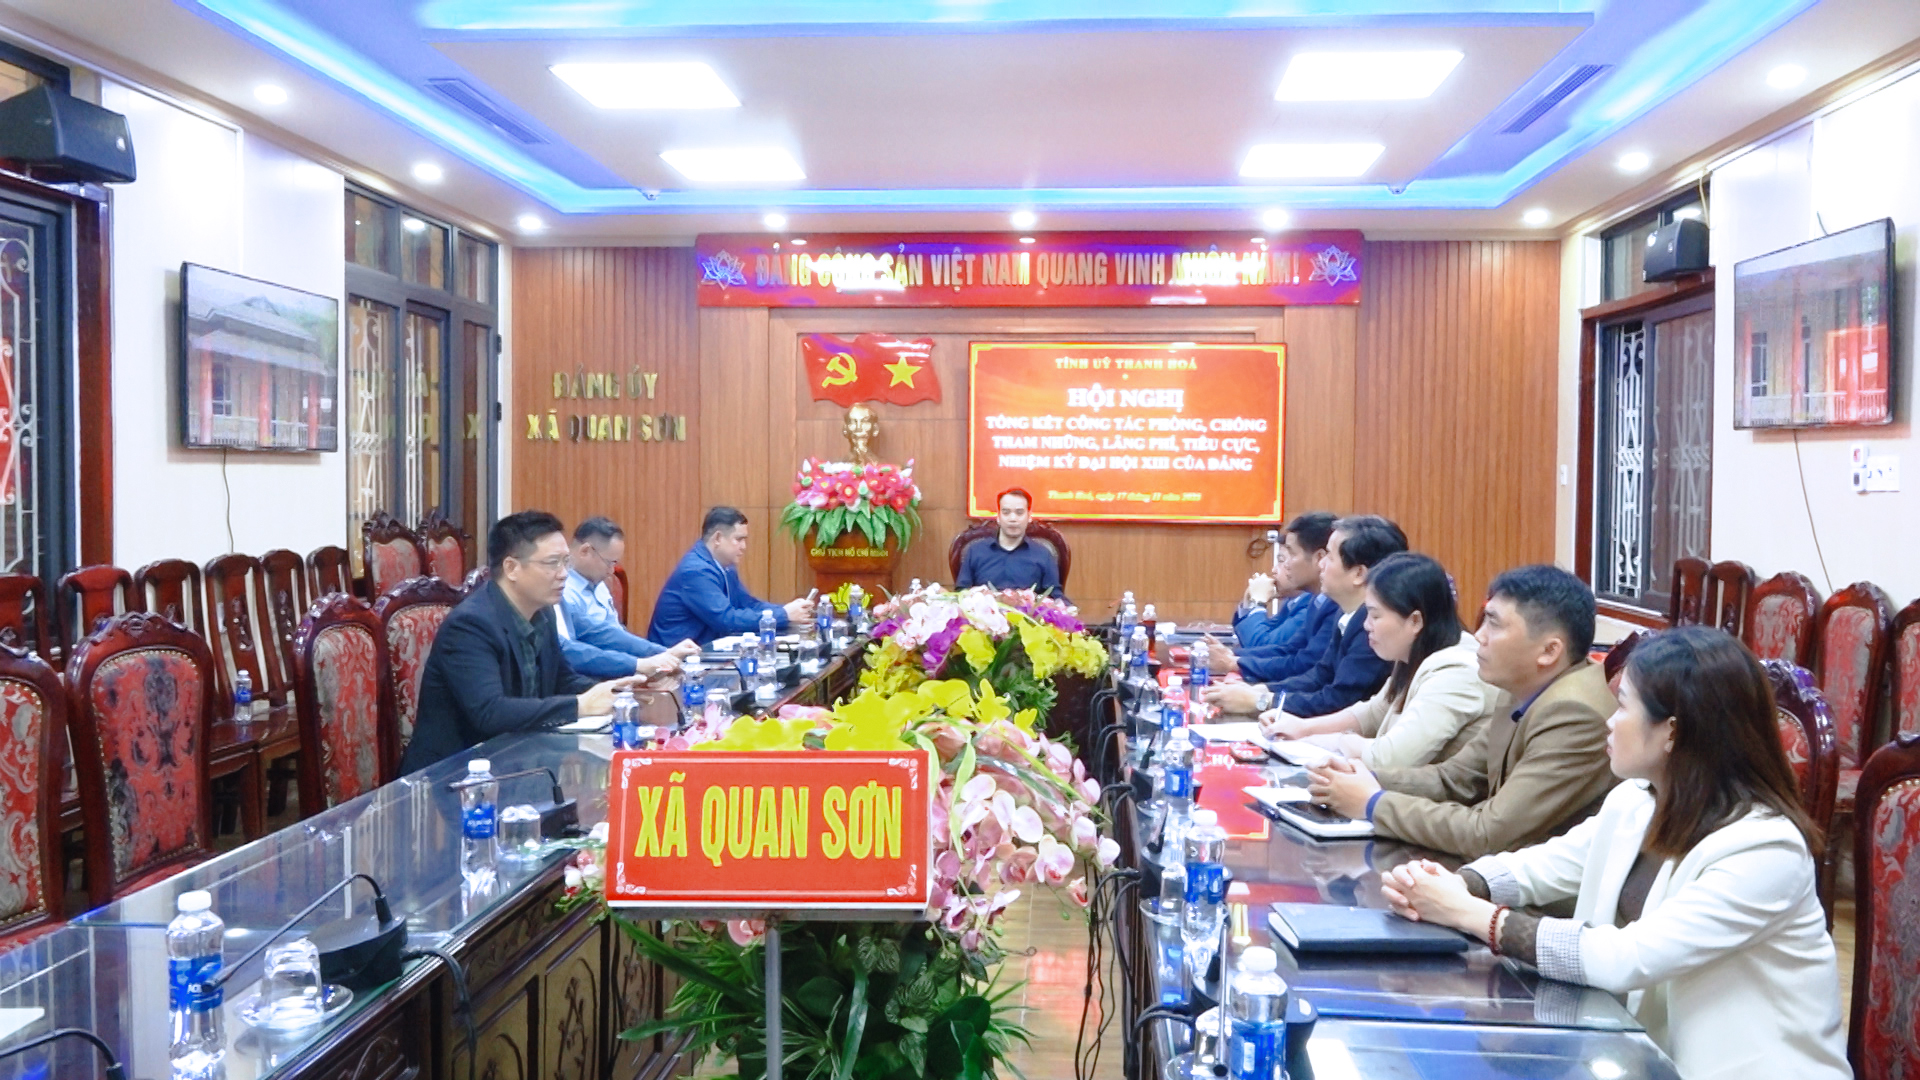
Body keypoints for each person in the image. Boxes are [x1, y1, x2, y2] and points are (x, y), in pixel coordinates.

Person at [1381, 628, 1849, 1080]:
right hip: (1632, 1054)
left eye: (1622, 705)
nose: (1609, 720)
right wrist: (1456, 884)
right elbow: (1548, 863)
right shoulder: (1638, 799)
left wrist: (1469, 913)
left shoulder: (1764, 849)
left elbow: (1628, 957)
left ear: (1672, 732)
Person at [1306, 564, 1617, 860]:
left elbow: (1488, 833)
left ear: (1549, 651)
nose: (1479, 635)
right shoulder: (1523, 687)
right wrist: (1364, 779)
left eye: (1494, 624)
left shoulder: (1574, 715)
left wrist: (1373, 803)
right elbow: (1454, 779)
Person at [400, 511, 641, 774]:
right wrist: (581, 705)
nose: (564, 574)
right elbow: (491, 712)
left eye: (566, 562)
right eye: (552, 563)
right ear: (512, 568)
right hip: (454, 774)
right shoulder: (470, 625)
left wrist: (612, 693)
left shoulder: (543, 612)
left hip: (518, 761)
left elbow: (561, 680)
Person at [1262, 552, 1497, 770]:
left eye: (1375, 615)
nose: (1366, 625)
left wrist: (1340, 741)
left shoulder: (1455, 673)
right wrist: (1303, 729)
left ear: (1415, 621)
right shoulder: (1416, 652)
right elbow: (1373, 713)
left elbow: (1391, 758)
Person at [1202, 514, 1404, 717]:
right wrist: (1261, 691)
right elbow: (1317, 676)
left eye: (1329, 557)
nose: (1321, 564)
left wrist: (1261, 700)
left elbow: (1339, 700)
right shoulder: (1345, 614)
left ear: (1359, 574)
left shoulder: (1372, 627)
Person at [649, 507, 815, 647]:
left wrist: (788, 610)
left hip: (706, 651)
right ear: (718, 538)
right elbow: (726, 620)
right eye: (739, 539)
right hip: (676, 660)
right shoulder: (696, 571)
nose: (744, 547)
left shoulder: (725, 566)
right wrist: (783, 615)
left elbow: (748, 604)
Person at [557, 516, 698, 679]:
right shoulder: (563, 592)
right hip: (594, 675)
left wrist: (663, 653)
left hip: (617, 669)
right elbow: (569, 653)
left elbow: (604, 634)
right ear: (585, 551)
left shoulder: (598, 583)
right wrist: (637, 664)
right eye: (555, 563)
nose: (612, 571)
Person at [1208, 511, 1340, 682]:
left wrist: (1234, 663)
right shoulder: (1317, 601)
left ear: (1319, 558)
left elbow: (1300, 663)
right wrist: (1233, 656)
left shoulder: (1332, 604)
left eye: (1290, 555)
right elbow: (1288, 649)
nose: (1283, 567)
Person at [955, 487, 1063, 597]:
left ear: (1029, 516)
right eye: (1006, 512)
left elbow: (1055, 596)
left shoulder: (1043, 554)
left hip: (1027, 608)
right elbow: (961, 592)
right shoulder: (975, 551)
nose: (1012, 518)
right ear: (998, 517)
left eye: (1019, 513)